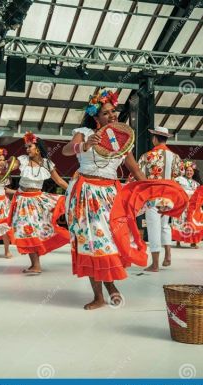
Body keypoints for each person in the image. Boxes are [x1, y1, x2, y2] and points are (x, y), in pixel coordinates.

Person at [62, 90, 146, 310]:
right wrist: (86, 144)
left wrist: (152, 191)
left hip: (110, 197)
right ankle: (102, 294)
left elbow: (135, 170)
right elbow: (66, 150)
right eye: (106, 113)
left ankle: (109, 289)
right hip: (86, 194)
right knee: (92, 243)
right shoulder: (83, 132)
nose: (112, 116)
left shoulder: (121, 139)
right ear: (95, 117)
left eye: (113, 111)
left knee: (108, 243)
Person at [6, 131, 69, 274]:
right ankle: (35, 264)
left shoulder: (47, 163)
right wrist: (9, 163)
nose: (27, 149)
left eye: (29, 147)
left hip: (38, 201)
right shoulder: (22, 159)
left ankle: (36, 265)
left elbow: (59, 181)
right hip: (23, 201)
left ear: (38, 149)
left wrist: (72, 190)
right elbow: (13, 165)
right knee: (27, 231)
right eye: (26, 147)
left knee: (35, 231)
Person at [137, 126, 184, 272]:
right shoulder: (175, 157)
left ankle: (155, 264)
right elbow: (179, 174)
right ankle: (168, 255)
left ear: (155, 139)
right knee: (165, 226)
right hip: (169, 197)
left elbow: (137, 176)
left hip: (153, 197)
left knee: (153, 227)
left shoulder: (147, 156)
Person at [172, 160, 201, 249]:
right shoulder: (179, 179)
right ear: (184, 171)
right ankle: (178, 240)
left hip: (191, 206)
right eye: (187, 170)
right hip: (182, 204)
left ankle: (193, 242)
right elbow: (174, 189)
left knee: (191, 222)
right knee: (180, 222)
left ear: (193, 172)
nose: (189, 172)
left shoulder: (196, 184)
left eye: (191, 171)